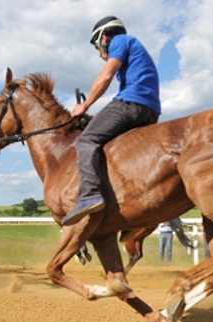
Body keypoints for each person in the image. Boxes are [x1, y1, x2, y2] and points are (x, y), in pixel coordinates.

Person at [61, 16, 161, 226]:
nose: (100, 55)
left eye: (98, 47)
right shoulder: (133, 49)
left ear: (104, 37)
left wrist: (84, 105)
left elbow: (106, 76)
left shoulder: (119, 41)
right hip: (149, 109)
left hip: (132, 103)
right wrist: (99, 116)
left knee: (85, 141)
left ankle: (89, 194)